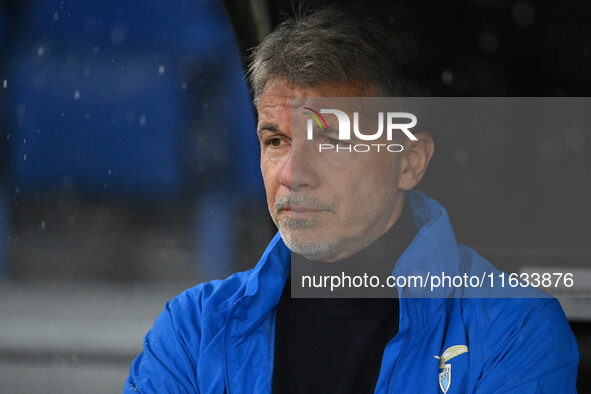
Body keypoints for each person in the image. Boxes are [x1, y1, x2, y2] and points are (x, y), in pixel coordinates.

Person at [124, 8, 579, 393]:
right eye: (277, 140)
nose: (293, 174)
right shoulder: (192, 330)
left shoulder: (516, 330)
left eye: (333, 141)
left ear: (409, 162)